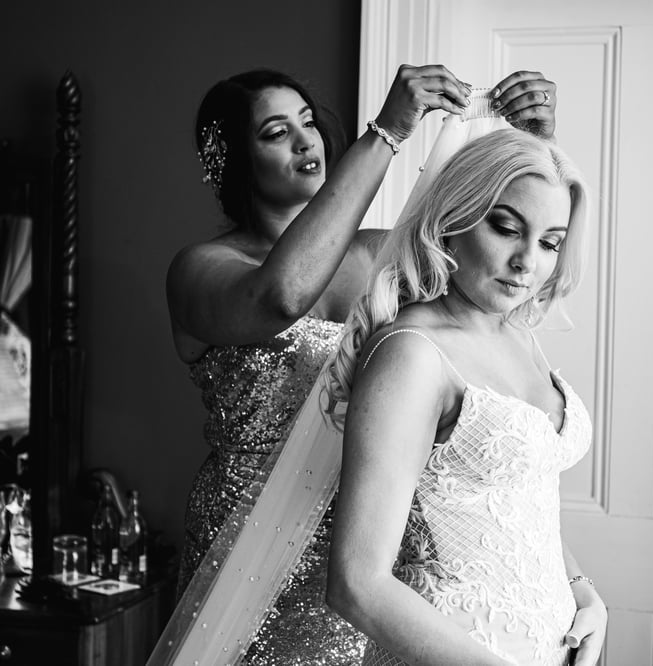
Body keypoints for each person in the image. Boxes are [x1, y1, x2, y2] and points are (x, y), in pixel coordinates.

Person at [164, 66, 560, 664]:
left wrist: (537, 146)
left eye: (308, 122)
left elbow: (498, 290)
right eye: (276, 132)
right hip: (246, 545)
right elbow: (282, 296)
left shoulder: (382, 256)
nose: (306, 141)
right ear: (234, 159)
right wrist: (388, 133)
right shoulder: (200, 270)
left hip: (372, 537)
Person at [323, 128, 607, 665]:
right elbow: (357, 583)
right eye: (506, 228)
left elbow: (516, 503)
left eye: (550, 242)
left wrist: (584, 592)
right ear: (454, 221)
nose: (528, 261)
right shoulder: (412, 354)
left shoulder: (519, 332)